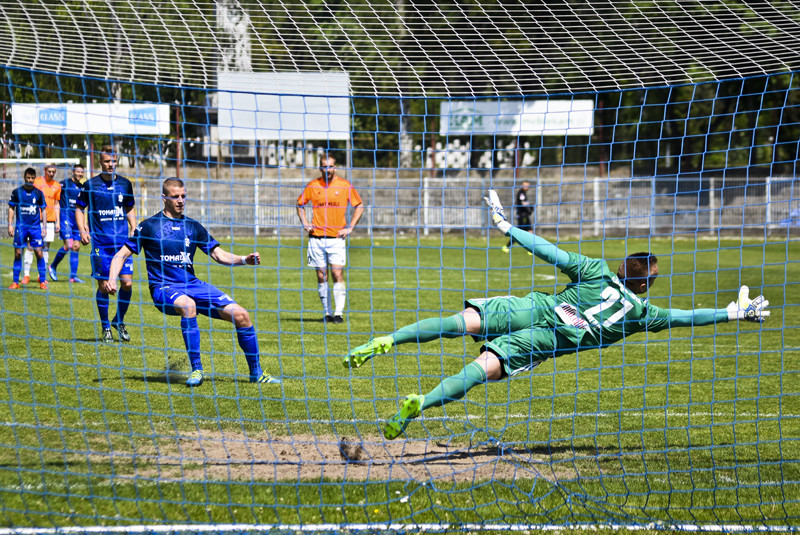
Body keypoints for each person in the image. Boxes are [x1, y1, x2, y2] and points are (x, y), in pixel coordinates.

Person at [344, 190, 770, 440]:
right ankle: (423, 403)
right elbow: (685, 317)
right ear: (644, 285)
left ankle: (386, 341)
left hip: (533, 307)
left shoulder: (595, 269)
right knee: (479, 369)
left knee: (457, 323)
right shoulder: (642, 312)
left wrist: (507, 227)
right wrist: (731, 314)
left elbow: (548, 250)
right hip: (547, 340)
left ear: (623, 265)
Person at [103, 178, 280, 387]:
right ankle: (197, 369)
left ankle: (256, 373)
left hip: (193, 285)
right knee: (188, 305)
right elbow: (120, 255)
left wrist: (244, 260)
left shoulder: (193, 227)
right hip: (163, 288)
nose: (180, 200)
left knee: (242, 315)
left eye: (183, 196)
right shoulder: (149, 226)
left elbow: (218, 255)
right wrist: (111, 279)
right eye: (175, 196)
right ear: (164, 198)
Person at [75, 146, 136, 343]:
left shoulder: (125, 185)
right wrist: (83, 230)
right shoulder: (90, 185)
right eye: (107, 161)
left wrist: (134, 227)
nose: (111, 164)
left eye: (114, 161)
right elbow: (79, 208)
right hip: (101, 245)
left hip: (122, 244)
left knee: (126, 283)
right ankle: (106, 326)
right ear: (100, 163)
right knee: (104, 286)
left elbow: (129, 207)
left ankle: (118, 320)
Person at [296, 153, 364, 324]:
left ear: (335, 167)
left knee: (336, 273)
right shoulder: (313, 186)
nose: (328, 170)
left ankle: (338, 313)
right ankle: (327, 313)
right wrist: (305, 222)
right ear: (320, 167)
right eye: (324, 166)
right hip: (316, 238)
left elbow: (359, 206)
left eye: (331, 166)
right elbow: (299, 205)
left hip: (336, 238)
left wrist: (350, 228)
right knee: (321, 275)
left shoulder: (344, 185)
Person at [7, 168, 48, 290]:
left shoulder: (38, 193)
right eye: (28, 178)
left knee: (39, 252)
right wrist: (10, 224)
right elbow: (11, 208)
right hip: (21, 227)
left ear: (34, 179)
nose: (30, 180)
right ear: (24, 177)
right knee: (18, 253)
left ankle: (42, 281)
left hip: (35, 228)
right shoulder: (17, 192)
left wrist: (44, 226)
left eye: (32, 178)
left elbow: (44, 209)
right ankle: (15, 282)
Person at [22, 163, 61, 283]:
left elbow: (56, 204)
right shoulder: (37, 182)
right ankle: (26, 275)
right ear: (44, 170)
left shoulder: (57, 185)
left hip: (49, 221)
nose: (51, 173)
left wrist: (58, 221)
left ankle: (41, 276)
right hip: (34, 220)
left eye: (53, 171)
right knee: (30, 246)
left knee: (45, 248)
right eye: (49, 171)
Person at [50, 163, 86, 283]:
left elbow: (82, 207)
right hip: (66, 218)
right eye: (78, 171)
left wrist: (85, 225)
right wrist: (57, 221)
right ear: (73, 171)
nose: (80, 174)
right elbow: (57, 201)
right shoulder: (64, 184)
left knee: (76, 246)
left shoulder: (82, 188)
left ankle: (73, 276)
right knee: (69, 244)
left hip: (77, 220)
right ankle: (53, 266)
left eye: (82, 172)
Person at [502, 181, 533, 254]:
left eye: (528, 185)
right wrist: (529, 206)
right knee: (520, 233)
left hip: (525, 215)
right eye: (525, 185)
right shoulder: (521, 193)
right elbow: (523, 203)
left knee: (530, 231)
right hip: (522, 216)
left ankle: (531, 249)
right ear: (522, 185)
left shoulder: (523, 193)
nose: (527, 187)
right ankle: (507, 246)